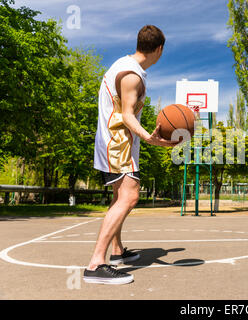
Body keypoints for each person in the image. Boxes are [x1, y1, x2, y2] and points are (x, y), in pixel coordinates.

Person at [83, 25, 177, 285]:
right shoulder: (132, 75)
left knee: (118, 197)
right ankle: (96, 264)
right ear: (159, 49)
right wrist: (149, 137)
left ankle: (116, 252)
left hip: (114, 141)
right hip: (117, 144)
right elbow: (126, 115)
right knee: (130, 196)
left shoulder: (122, 64)